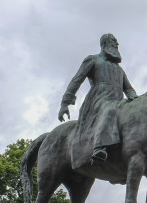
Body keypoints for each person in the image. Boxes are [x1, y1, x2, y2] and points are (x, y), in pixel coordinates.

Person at [59, 33, 138, 167]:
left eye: (116, 42)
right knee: (110, 109)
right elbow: (76, 80)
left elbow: (129, 89)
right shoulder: (93, 60)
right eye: (114, 41)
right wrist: (65, 103)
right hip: (98, 101)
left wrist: (136, 101)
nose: (117, 44)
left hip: (119, 102)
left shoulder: (119, 70)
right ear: (105, 43)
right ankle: (99, 147)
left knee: (135, 115)